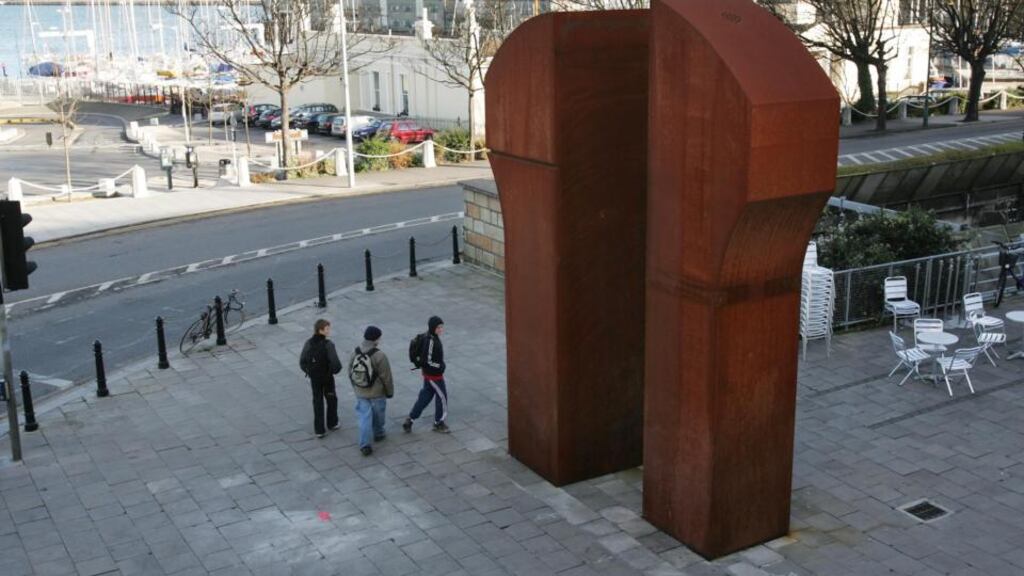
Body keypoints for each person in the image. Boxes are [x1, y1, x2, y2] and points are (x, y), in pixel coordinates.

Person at [348, 326, 394, 456]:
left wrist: (356, 387)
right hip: (377, 392)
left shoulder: (355, 352)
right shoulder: (380, 355)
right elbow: (386, 376)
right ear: (376, 339)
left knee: (364, 418)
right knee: (378, 414)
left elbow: (349, 371)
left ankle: (365, 444)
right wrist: (389, 392)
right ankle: (378, 433)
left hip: (360, 391)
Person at [403, 316, 450, 434]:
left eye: (441, 327)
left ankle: (410, 419)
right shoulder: (431, 341)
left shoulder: (431, 337)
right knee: (442, 397)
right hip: (434, 376)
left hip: (429, 375)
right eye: (438, 327)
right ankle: (438, 423)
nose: (440, 330)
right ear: (432, 328)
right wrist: (440, 366)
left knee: (425, 397)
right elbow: (426, 361)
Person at [299, 319, 342, 438]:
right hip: (327, 377)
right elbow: (336, 364)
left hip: (315, 378)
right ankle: (332, 423)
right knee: (331, 399)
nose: (329, 331)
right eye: (327, 329)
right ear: (321, 330)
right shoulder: (328, 344)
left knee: (317, 401)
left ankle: (319, 429)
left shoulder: (308, 343)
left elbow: (302, 362)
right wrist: (332, 371)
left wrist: (310, 372)